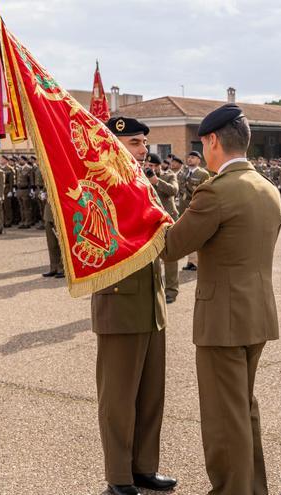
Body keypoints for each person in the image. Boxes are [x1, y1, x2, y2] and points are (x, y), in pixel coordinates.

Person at [160, 104, 281, 494]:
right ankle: (251, 487)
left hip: (222, 319)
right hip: (256, 313)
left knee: (222, 417)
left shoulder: (215, 190)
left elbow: (172, 247)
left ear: (212, 141)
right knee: (243, 409)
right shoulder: (268, 188)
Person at [91, 117, 176, 495]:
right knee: (119, 398)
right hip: (119, 303)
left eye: (143, 143)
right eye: (137, 143)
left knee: (150, 394)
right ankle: (119, 476)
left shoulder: (143, 183)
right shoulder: (97, 187)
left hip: (150, 304)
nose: (144, 151)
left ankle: (144, 467)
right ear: (114, 144)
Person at [146, 152, 180, 303]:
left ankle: (171, 292)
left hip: (167, 220)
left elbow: (174, 190)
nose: (149, 168)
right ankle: (153, 290)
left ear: (159, 166)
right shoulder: (140, 176)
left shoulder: (168, 176)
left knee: (170, 257)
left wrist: (156, 181)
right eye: (147, 165)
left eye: (153, 166)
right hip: (149, 222)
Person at [180, 150, 209, 271]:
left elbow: (205, 192)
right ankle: (191, 261)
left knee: (197, 236)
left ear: (199, 160)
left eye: (193, 157)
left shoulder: (203, 174)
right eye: (189, 157)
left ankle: (197, 262)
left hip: (196, 208)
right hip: (184, 208)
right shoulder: (184, 173)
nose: (190, 159)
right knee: (188, 237)